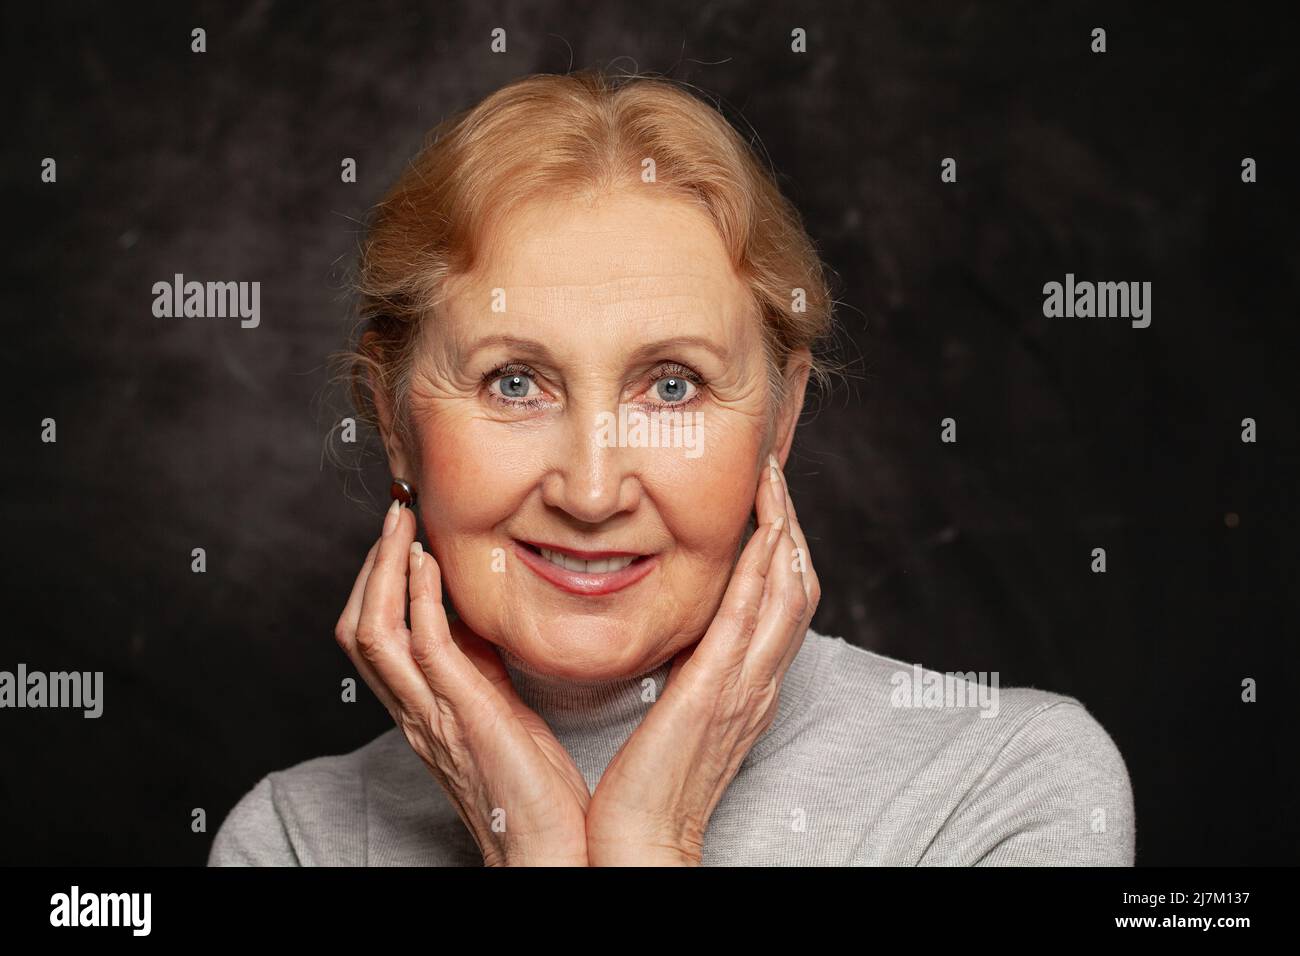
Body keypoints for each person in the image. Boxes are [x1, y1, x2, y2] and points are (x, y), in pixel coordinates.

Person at [209, 69, 1134, 866]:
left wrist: (655, 838)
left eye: (674, 387)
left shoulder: (1005, 783)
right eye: (516, 382)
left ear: (780, 419)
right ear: (394, 419)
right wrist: (526, 842)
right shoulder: (293, 840)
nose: (593, 490)